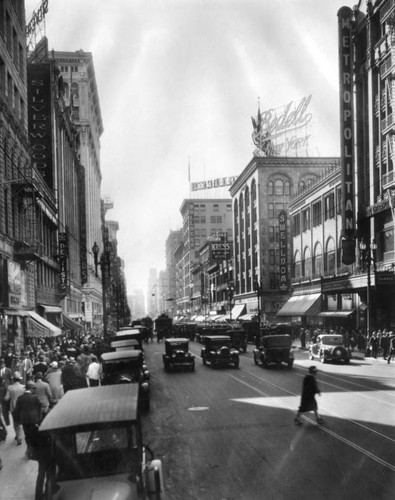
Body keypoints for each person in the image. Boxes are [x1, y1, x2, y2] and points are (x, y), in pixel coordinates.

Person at [13, 380, 42, 459]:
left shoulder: (20, 398)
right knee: (33, 435)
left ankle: (29, 450)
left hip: (24, 420)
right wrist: (39, 419)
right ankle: (32, 451)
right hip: (33, 420)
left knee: (27, 435)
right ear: (31, 389)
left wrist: (17, 420)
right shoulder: (34, 397)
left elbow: (16, 410)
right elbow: (40, 407)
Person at [4, 371, 25, 445]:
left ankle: (18, 436)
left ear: (13, 379)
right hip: (22, 407)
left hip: (13, 407)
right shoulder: (23, 387)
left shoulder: (10, 387)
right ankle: (20, 435)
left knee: (15, 422)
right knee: (22, 422)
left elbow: (6, 398)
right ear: (20, 379)